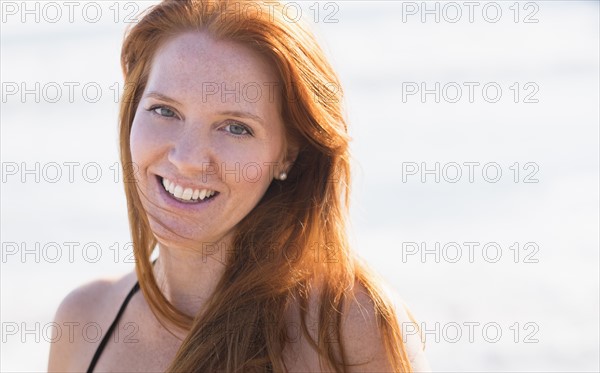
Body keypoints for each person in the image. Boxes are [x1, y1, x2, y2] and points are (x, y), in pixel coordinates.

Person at [48, 0, 430, 371]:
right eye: (165, 110)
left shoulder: (348, 328)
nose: (187, 158)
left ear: (288, 155)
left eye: (236, 127)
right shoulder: (83, 321)